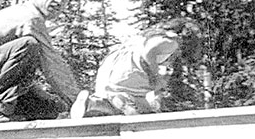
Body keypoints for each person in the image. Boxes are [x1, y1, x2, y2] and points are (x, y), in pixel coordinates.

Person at [70, 17, 202, 119]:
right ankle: (123, 101)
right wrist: (155, 77)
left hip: (112, 68)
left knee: (114, 102)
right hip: (128, 71)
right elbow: (148, 53)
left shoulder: (152, 35)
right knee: (138, 111)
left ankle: (91, 104)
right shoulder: (172, 42)